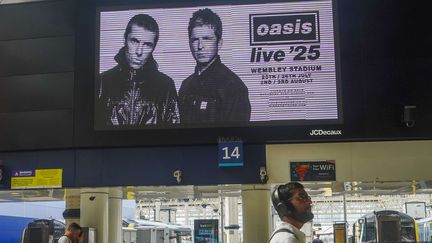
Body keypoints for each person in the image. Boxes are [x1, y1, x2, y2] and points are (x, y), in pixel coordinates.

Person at [97, 14, 179, 126]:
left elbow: (173, 134)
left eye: (147, 45)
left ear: (153, 48)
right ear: (124, 39)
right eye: (134, 41)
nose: (139, 51)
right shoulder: (103, 82)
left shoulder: (166, 86)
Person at [178, 8, 251, 124]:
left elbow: (235, 139)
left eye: (207, 39)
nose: (200, 46)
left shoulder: (234, 87)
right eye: (195, 40)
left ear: (219, 43)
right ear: (189, 43)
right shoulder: (186, 85)